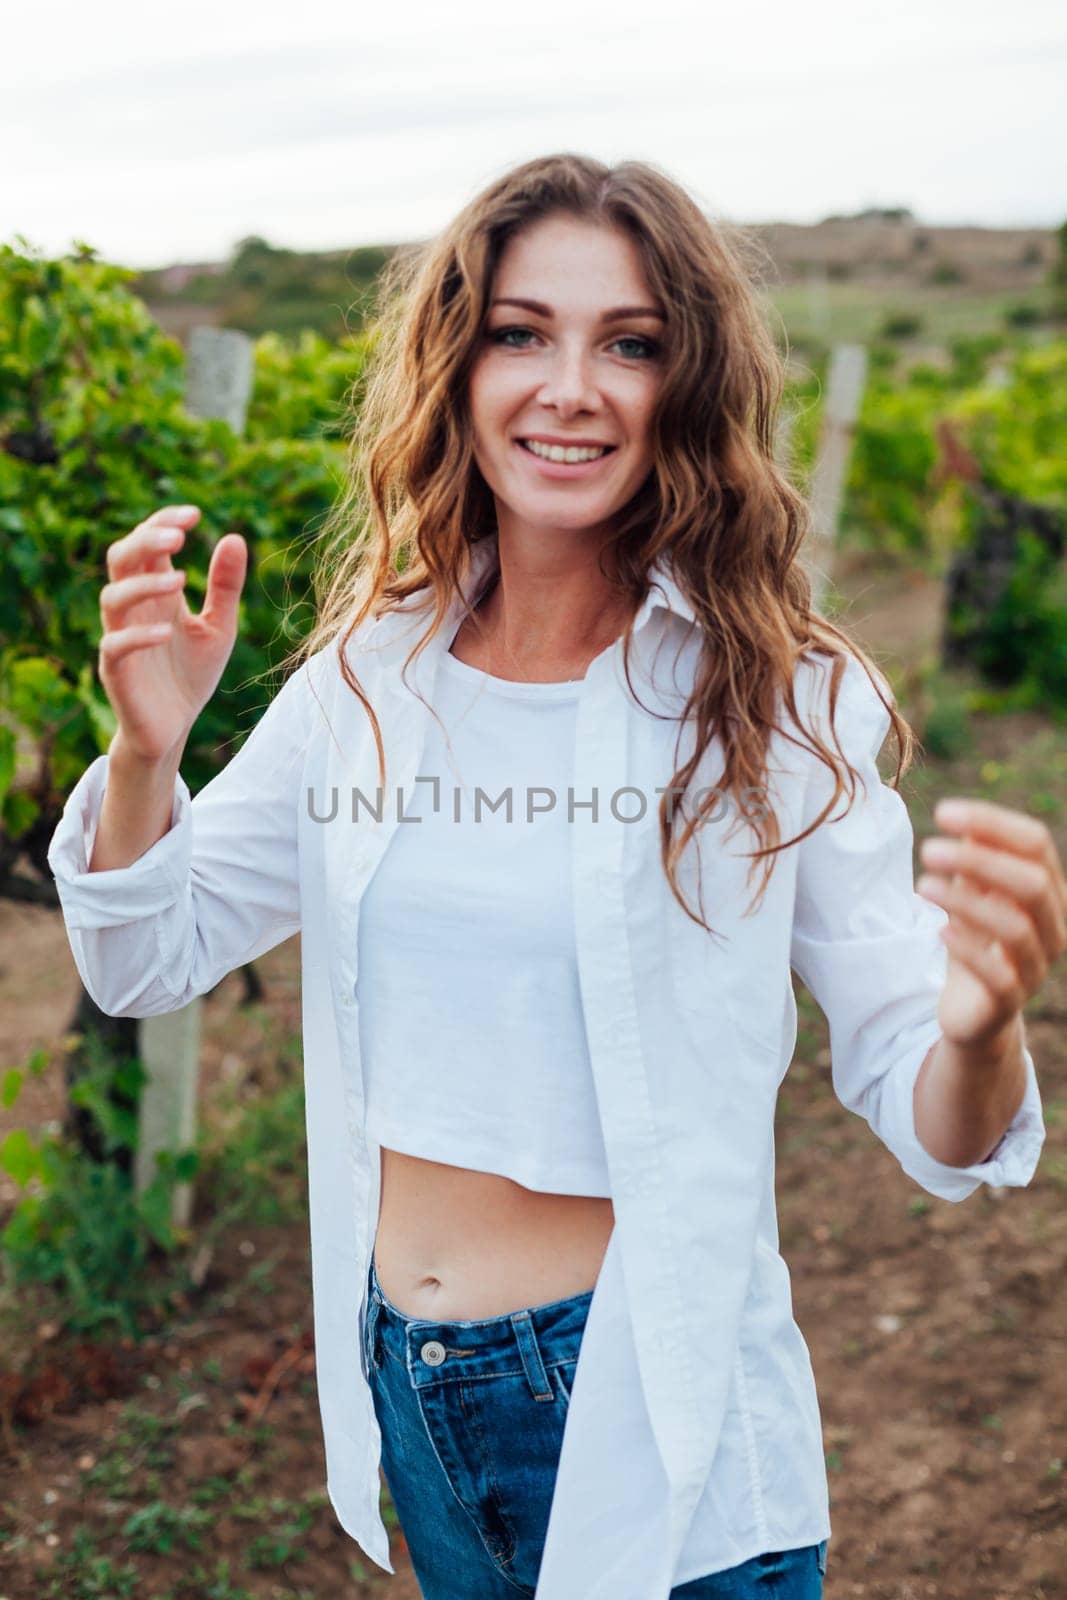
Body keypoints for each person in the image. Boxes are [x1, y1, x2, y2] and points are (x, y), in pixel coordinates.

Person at [47, 153, 1063, 1600]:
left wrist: (979, 1027)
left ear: (686, 384)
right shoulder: (367, 676)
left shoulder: (776, 698)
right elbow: (144, 959)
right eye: (522, 333)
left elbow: (939, 1120)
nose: (569, 386)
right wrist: (148, 759)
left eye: (629, 343)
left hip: (653, 1421)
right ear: (458, 369)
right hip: (420, 1399)